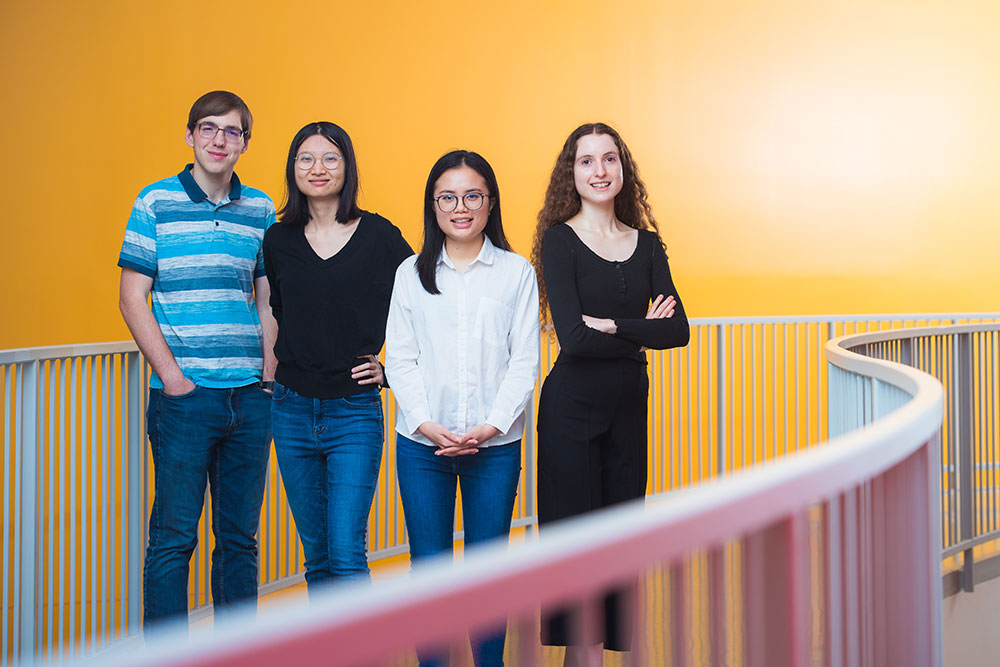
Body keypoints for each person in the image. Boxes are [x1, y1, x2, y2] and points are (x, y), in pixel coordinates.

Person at [530, 122, 690, 665]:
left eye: (609, 160)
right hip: (570, 411)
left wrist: (614, 326)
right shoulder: (559, 241)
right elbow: (572, 339)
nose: (599, 171)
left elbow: (678, 331)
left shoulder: (647, 246)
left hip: (628, 410)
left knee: (620, 542)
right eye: (586, 161)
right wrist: (636, 324)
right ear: (570, 175)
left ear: (623, 170)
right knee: (576, 548)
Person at [117, 90, 277, 630]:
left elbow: (267, 299)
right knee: (173, 539)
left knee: (239, 541)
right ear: (190, 136)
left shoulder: (259, 209)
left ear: (244, 143)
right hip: (184, 401)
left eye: (231, 131)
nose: (218, 140)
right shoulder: (155, 202)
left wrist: (269, 378)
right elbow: (131, 296)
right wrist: (173, 379)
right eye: (207, 128)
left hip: (250, 399)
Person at [385, 150, 540, 667]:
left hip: (494, 448)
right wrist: (430, 426)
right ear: (433, 206)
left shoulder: (517, 272)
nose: (460, 207)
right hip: (421, 445)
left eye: (472, 195)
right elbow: (400, 359)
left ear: (490, 202)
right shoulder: (411, 273)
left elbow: (525, 361)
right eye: (447, 197)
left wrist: (489, 426)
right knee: (428, 570)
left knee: (487, 570)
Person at [262, 122, 413, 592]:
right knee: (318, 559)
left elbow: (423, 304)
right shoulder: (278, 239)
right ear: (293, 169)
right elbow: (280, 313)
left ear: (347, 167)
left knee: (347, 555)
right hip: (289, 408)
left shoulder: (381, 236)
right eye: (305, 158)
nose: (318, 168)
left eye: (330, 157)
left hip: (353, 411)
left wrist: (390, 373)